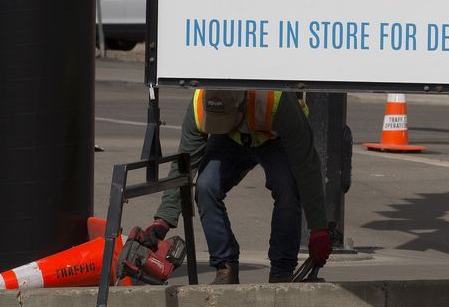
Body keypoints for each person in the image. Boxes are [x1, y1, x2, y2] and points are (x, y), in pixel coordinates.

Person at [141, 89, 331, 284]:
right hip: (229, 137)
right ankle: (226, 266)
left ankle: (281, 271)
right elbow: (183, 166)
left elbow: (306, 165)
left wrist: (318, 228)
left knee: (288, 188)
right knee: (206, 187)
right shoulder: (200, 106)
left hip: (273, 136)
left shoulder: (278, 102)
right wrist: (163, 220)